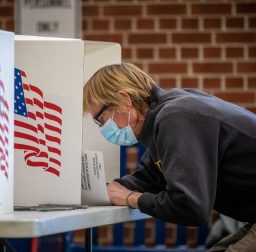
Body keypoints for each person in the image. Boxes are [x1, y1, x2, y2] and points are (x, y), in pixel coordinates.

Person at [83, 62, 256, 251]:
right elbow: (149, 178)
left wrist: (131, 198)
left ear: (124, 99)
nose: (102, 127)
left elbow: (191, 207)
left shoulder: (176, 117)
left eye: (100, 118)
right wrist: (98, 191)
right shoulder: (167, 113)